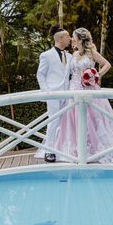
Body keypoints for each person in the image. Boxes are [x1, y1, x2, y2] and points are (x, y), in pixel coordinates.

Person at [53, 27, 113, 164]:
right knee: (73, 119)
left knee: (93, 119)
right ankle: (77, 150)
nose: (71, 39)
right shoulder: (74, 55)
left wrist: (96, 75)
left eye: (73, 37)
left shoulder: (91, 53)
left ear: (80, 39)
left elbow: (107, 64)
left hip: (89, 89)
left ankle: (96, 149)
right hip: (73, 90)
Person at [35, 25, 72, 162]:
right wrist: (46, 92)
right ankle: (49, 151)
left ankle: (63, 149)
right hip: (53, 94)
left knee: (67, 122)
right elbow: (40, 74)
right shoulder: (46, 55)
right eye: (67, 37)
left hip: (68, 94)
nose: (70, 39)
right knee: (53, 121)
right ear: (60, 39)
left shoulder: (70, 56)